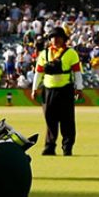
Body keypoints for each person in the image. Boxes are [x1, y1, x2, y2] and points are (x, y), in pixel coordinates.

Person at [30, 26, 83, 156]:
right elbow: (38, 72)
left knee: (67, 120)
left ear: (63, 39)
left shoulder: (71, 53)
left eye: (58, 37)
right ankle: (49, 146)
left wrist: (79, 88)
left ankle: (67, 147)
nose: (55, 40)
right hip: (48, 89)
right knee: (50, 119)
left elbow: (77, 72)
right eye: (52, 38)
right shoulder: (44, 54)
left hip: (65, 89)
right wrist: (34, 88)